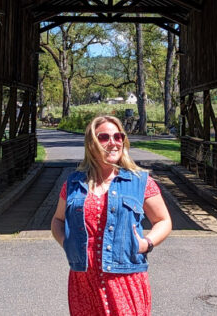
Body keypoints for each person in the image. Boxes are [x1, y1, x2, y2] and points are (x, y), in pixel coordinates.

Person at [51, 115, 172, 315]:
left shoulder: (140, 181)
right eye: (104, 137)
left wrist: (147, 243)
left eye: (118, 136)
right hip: (83, 281)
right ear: (91, 144)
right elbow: (58, 220)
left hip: (125, 279)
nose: (113, 142)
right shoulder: (73, 184)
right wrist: (66, 242)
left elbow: (163, 220)